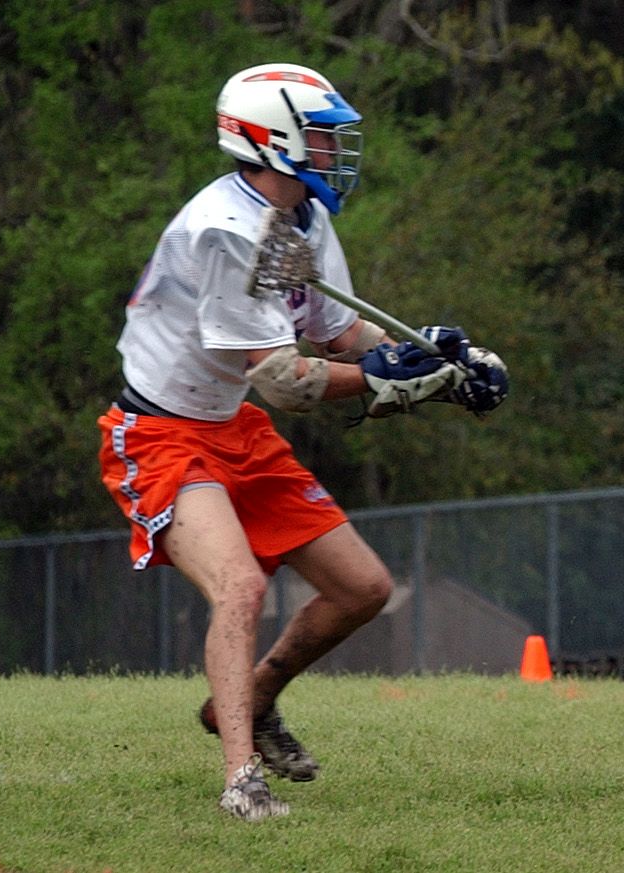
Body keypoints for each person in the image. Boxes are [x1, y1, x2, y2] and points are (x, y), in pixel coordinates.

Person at [97, 63, 507, 821]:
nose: (332, 149)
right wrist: (390, 379)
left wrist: (436, 361)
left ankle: (252, 698)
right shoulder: (225, 229)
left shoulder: (301, 215)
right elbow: (283, 379)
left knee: (363, 588)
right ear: (272, 139)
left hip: (233, 427)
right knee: (241, 586)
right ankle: (240, 779)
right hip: (160, 433)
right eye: (320, 135)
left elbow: (340, 335)